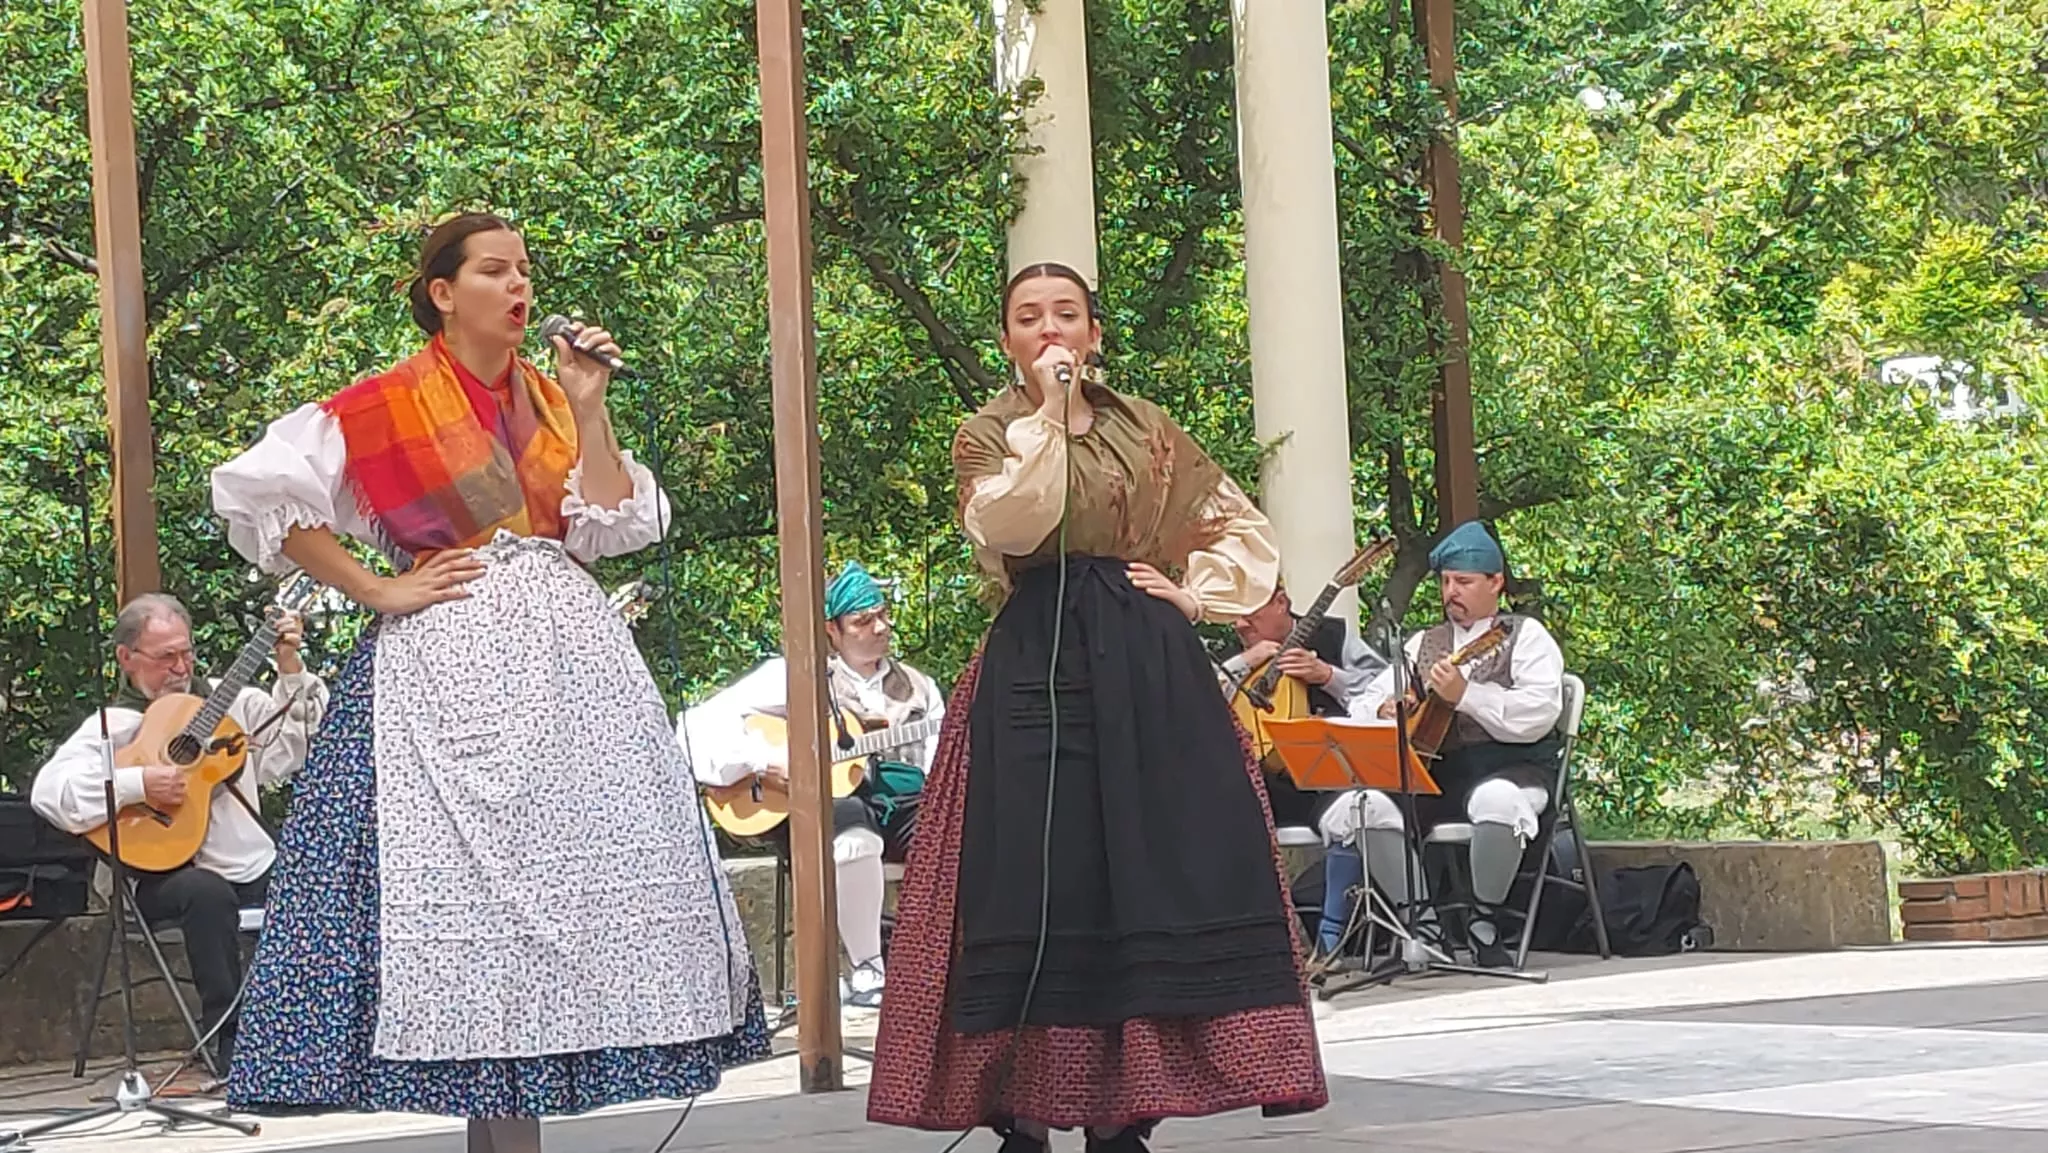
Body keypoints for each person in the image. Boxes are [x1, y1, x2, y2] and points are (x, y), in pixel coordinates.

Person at [208, 211, 766, 1120]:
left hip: (572, 678)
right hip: (444, 671)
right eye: (497, 271)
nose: (520, 289)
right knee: (456, 893)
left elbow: (617, 518)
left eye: (526, 272)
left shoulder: (552, 400)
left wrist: (591, 407)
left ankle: (545, 1087)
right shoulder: (381, 405)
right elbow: (264, 495)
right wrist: (378, 590)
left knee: (573, 889)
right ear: (443, 292)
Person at [867, 263, 1327, 1153]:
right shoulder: (989, 433)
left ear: (1095, 333)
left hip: (1145, 662)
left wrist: (1197, 597)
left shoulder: (1148, 429)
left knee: (1144, 872)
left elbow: (1238, 526)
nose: (1050, 331)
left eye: (1066, 315)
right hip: (1033, 661)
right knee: (1034, 878)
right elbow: (1010, 524)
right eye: (1029, 318)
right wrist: (1046, 417)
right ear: (1007, 342)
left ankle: (1126, 1111)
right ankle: (1023, 1108)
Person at [31, 593, 327, 1076]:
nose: (180, 666)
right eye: (165, 656)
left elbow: (301, 747)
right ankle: (224, 1037)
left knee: (321, 880)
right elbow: (49, 793)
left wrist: (289, 664)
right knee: (206, 892)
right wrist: (137, 784)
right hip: (162, 878)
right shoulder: (114, 727)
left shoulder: (234, 706)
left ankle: (315, 1033)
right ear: (127, 658)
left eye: (185, 652)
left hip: (249, 863)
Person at [680, 560, 944, 1009]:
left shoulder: (920, 689)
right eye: (863, 621)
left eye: (882, 616)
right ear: (833, 631)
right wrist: (765, 761)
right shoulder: (794, 677)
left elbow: (940, 758)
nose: (879, 628)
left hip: (898, 801)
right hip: (824, 811)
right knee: (852, 830)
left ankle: (939, 967)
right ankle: (868, 968)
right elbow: (691, 726)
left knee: (956, 832)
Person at [1319, 521, 1564, 968]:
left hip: (1512, 766)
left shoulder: (1523, 636)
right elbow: (1369, 696)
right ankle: (1422, 926)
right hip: (1437, 773)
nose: (1452, 591)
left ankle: (1484, 921)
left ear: (1496, 583)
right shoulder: (1422, 643)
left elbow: (1539, 712)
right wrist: (1384, 710)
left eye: (1464, 582)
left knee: (1497, 800)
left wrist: (1466, 696)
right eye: (1446, 581)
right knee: (1364, 807)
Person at [1219, 586, 1386, 959]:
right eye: (1235, 614)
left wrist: (1328, 675)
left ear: (1280, 601)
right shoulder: (1237, 658)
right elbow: (1200, 701)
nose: (1239, 623)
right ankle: (1247, 946)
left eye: (1250, 612)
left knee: (1354, 810)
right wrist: (1245, 662)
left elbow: (1389, 692)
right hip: (1266, 785)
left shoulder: (1336, 637)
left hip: (1330, 779)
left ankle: (1331, 944)